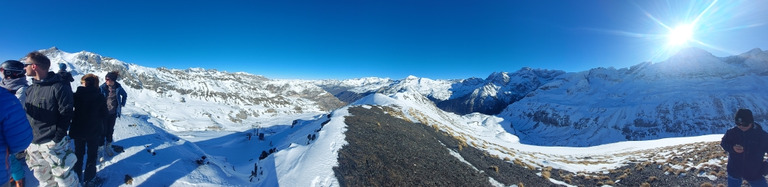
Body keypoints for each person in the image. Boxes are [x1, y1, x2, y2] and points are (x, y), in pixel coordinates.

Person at [22, 51, 79, 187]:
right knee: (44, 180)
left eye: (26, 64)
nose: (24, 67)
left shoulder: (59, 87)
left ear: (34, 66)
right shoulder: (30, 89)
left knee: (65, 180)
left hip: (53, 144)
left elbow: (66, 114)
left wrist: (57, 138)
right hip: (33, 145)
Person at [71, 74, 107, 186]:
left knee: (78, 154)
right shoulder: (100, 96)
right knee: (92, 155)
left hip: (78, 130)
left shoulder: (76, 95)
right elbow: (104, 114)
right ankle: (89, 180)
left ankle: (76, 178)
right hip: (93, 131)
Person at [1, 60, 31, 187]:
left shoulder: (21, 91)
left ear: (10, 73)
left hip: (18, 129)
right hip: (13, 129)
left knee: (9, 157)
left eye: (2, 71)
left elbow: (16, 112)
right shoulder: (6, 90)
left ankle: (19, 178)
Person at [721, 109, 768, 187]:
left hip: (755, 172)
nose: (741, 126)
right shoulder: (732, 132)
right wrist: (732, 148)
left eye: (745, 124)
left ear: (751, 122)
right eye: (738, 123)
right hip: (734, 171)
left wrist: (766, 165)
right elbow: (724, 143)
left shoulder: (762, 136)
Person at [99, 71, 127, 157]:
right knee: (102, 131)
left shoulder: (118, 87)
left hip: (113, 113)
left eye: (108, 79)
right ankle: (100, 150)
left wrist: (122, 104)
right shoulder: (102, 87)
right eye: (105, 79)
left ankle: (108, 147)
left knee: (110, 130)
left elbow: (125, 95)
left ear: (113, 80)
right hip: (103, 113)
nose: (106, 81)